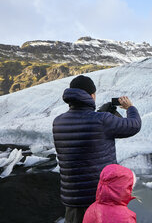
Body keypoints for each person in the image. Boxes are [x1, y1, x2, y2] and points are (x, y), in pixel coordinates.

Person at [52, 75, 141, 223]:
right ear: (92, 95)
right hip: (100, 196)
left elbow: (83, 132)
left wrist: (101, 114)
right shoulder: (102, 120)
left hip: (73, 197)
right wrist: (130, 108)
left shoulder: (58, 122)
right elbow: (133, 125)